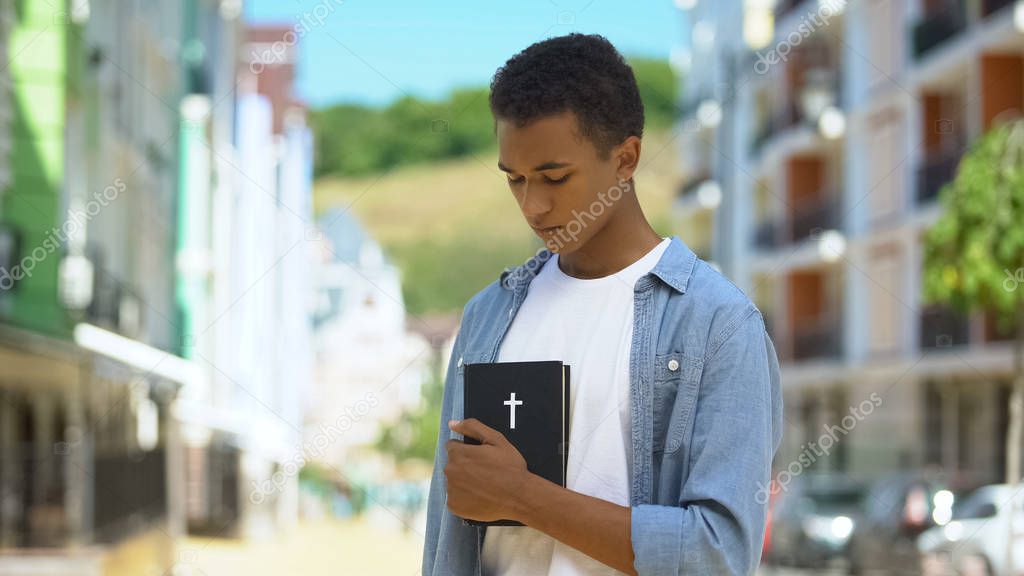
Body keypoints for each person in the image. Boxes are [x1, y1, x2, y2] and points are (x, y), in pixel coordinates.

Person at [422, 33, 783, 576]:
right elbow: (447, 535)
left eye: (554, 176)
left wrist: (523, 496)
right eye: (514, 179)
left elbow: (717, 555)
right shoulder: (487, 316)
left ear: (626, 159)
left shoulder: (718, 324)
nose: (533, 205)